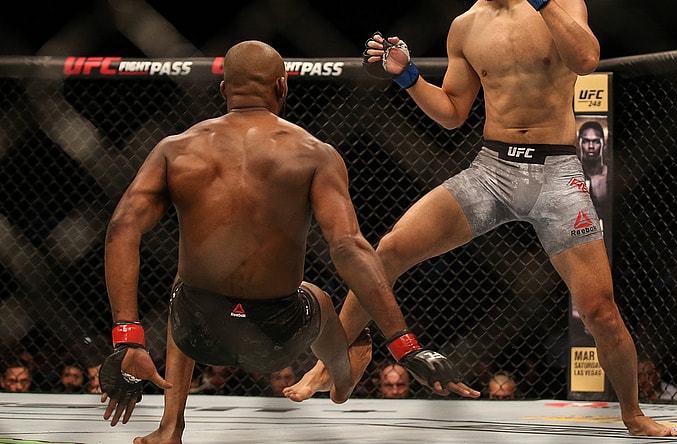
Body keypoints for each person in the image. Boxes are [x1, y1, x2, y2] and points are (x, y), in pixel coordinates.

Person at [294, 0, 676, 437]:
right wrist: (408, 77)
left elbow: (587, 60)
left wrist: (545, 5)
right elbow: (454, 112)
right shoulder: (465, 25)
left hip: (557, 173)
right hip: (492, 169)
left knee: (600, 311)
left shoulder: (563, 4)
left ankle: (632, 414)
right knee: (390, 248)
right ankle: (336, 357)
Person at [98, 40, 477, 443]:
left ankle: (170, 427)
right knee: (320, 296)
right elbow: (348, 247)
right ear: (282, 87)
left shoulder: (175, 149)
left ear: (224, 90)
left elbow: (122, 227)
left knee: (185, 284)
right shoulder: (314, 153)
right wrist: (405, 345)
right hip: (279, 332)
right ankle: (341, 377)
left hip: (198, 328)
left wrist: (128, 336)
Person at [576, 120, 609, 208]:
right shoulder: (572, 174)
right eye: (586, 141)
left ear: (603, 145)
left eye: (596, 141)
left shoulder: (610, 175)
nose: (591, 146)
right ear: (579, 144)